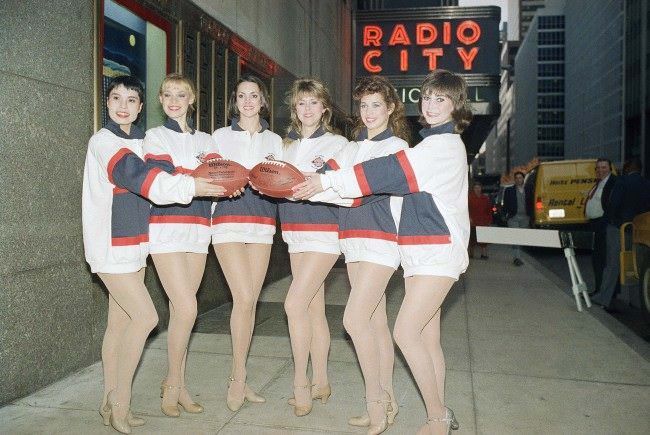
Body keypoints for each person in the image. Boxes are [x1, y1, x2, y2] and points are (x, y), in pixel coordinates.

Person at [293, 68, 469, 435]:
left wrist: (322, 181)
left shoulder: (431, 147)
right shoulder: (419, 144)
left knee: (391, 329)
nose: (432, 105)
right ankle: (413, 408)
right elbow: (343, 187)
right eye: (428, 98)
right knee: (422, 336)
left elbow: (375, 179)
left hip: (418, 248)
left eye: (442, 99)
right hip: (413, 250)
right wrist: (303, 187)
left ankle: (429, 416)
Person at [83, 76, 224, 433]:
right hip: (109, 245)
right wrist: (193, 184)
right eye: (116, 98)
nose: (123, 106)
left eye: (131, 100)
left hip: (134, 244)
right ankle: (121, 406)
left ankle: (107, 400)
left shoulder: (138, 141)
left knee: (118, 325)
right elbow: (138, 177)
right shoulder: (104, 141)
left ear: (141, 106)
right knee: (146, 318)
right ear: (108, 102)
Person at [143, 73, 222, 418]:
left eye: (181, 95)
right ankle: (173, 384)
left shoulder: (207, 141)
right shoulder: (154, 137)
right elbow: (163, 181)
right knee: (188, 308)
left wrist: (216, 183)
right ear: (161, 100)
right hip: (165, 231)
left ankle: (179, 384)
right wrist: (199, 178)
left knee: (182, 313)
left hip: (198, 231)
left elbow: (220, 179)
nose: (174, 101)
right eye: (168, 95)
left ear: (192, 100)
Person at [211, 75, 283, 411]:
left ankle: (240, 374)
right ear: (235, 101)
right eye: (242, 96)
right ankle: (237, 379)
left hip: (262, 223)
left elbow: (282, 181)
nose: (248, 101)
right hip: (227, 220)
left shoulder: (276, 140)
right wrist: (227, 185)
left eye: (254, 95)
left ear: (263, 100)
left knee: (250, 301)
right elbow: (211, 176)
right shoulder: (220, 136)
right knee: (242, 297)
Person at [276, 78, 348, 416]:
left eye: (313, 103)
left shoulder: (337, 144)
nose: (307, 109)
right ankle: (321, 381)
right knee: (313, 309)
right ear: (295, 109)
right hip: (293, 232)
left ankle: (300, 384)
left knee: (293, 304)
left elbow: (328, 185)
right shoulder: (283, 146)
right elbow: (273, 183)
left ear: (324, 108)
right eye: (301, 103)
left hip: (324, 233)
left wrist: (298, 184)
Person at [593, 158, 650, 311]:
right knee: (635, 264)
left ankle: (603, 298)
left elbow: (614, 204)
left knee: (612, 264)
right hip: (638, 229)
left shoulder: (622, 182)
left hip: (618, 227)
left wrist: (609, 220)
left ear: (627, 168)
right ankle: (636, 301)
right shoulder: (646, 184)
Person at [584, 158, 616, 295]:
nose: (600, 170)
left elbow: (613, 205)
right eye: (598, 168)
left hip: (604, 225)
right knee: (596, 259)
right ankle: (598, 289)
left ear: (610, 168)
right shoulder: (598, 182)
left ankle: (604, 292)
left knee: (603, 260)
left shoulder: (614, 182)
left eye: (604, 167)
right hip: (595, 225)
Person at [503, 171, 532, 266]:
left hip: (525, 217)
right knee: (516, 238)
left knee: (522, 239)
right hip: (513, 218)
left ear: (523, 179)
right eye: (517, 178)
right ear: (514, 180)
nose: (518, 179)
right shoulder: (509, 190)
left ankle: (519, 256)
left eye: (520, 177)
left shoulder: (529, 190)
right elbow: (505, 204)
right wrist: (505, 215)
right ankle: (517, 258)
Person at [467, 181, 493, 259]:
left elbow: (489, 210)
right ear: (473, 189)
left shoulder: (485, 198)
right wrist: (469, 218)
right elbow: (466, 209)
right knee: (472, 239)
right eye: (476, 188)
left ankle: (484, 254)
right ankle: (471, 254)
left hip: (483, 222)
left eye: (479, 188)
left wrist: (489, 220)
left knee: (483, 240)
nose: (477, 189)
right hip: (472, 222)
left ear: (481, 189)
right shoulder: (469, 198)